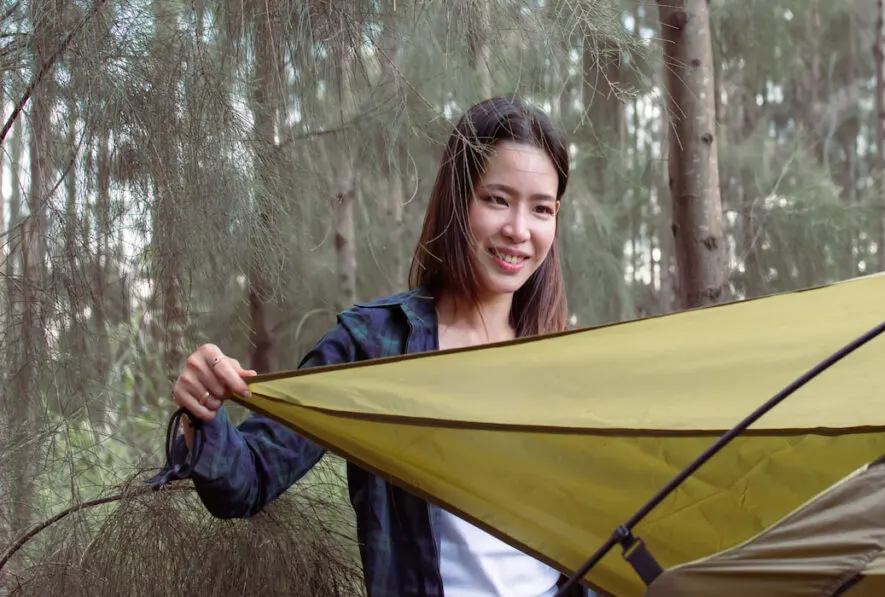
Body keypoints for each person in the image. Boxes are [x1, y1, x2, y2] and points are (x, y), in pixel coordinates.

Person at [150, 97, 601, 597]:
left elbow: (602, 531)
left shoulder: (565, 364)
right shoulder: (374, 343)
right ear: (457, 198)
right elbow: (248, 480)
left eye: (541, 208)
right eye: (497, 199)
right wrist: (203, 412)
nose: (519, 230)